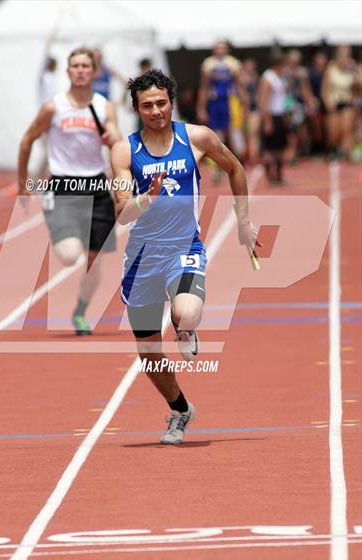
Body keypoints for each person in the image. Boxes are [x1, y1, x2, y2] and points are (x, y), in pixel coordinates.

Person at [111, 69, 260, 445]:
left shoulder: (196, 137)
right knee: (148, 353)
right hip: (141, 259)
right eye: (147, 106)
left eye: (161, 103)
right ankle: (180, 408)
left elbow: (235, 167)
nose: (156, 111)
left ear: (171, 102)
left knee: (187, 311)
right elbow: (123, 212)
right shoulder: (124, 151)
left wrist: (244, 222)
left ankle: (185, 326)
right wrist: (148, 197)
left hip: (184, 248)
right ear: (136, 109)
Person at [18, 47, 121, 335]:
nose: (80, 70)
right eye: (74, 65)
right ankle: (65, 230)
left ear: (94, 71)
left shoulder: (104, 107)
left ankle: (80, 311)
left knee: (94, 257)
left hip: (97, 186)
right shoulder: (54, 107)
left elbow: (118, 144)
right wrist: (23, 183)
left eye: (85, 66)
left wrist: (113, 141)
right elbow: (27, 140)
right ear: (67, 71)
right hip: (63, 186)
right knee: (69, 254)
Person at [196, 40, 247, 177]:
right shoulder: (208, 64)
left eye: (223, 48)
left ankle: (237, 161)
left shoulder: (233, 63)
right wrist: (201, 107)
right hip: (215, 102)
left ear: (227, 49)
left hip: (230, 102)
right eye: (218, 48)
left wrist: (245, 104)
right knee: (217, 134)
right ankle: (219, 165)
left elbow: (239, 84)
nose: (220, 50)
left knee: (234, 131)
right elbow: (204, 87)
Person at [321, 45, 358, 160]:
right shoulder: (330, 69)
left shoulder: (351, 69)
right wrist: (327, 102)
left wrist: (356, 69)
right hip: (334, 103)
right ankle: (332, 151)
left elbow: (359, 85)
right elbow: (324, 90)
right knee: (334, 133)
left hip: (347, 102)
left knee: (347, 129)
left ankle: (348, 153)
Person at [258, 53, 289, 185]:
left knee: (280, 147)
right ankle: (270, 176)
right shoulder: (268, 78)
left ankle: (278, 175)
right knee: (270, 148)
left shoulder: (278, 78)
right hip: (272, 115)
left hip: (279, 115)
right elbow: (263, 99)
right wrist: (267, 120)